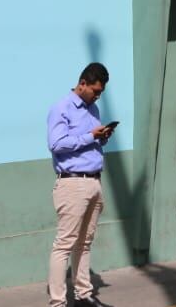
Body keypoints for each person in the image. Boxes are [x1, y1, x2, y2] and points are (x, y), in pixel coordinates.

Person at [47, 62, 115, 307]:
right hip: (72, 183)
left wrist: (101, 138)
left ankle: (83, 296)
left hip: (94, 180)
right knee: (64, 244)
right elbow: (56, 144)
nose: (97, 96)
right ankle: (57, 303)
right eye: (95, 90)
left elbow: (88, 143)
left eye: (101, 92)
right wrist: (90, 137)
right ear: (82, 83)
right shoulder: (61, 108)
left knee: (85, 243)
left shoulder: (93, 109)